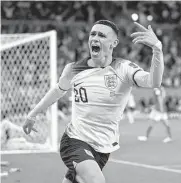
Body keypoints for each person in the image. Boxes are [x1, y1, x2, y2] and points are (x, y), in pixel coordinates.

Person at [23, 20, 164, 183]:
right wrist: (33, 114)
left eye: (102, 35)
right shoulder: (73, 69)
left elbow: (153, 82)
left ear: (114, 43)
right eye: (93, 34)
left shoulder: (123, 68)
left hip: (103, 147)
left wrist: (157, 49)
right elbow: (56, 92)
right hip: (74, 140)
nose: (95, 38)